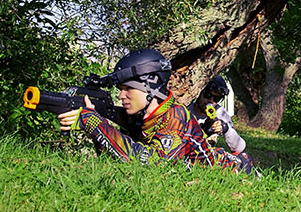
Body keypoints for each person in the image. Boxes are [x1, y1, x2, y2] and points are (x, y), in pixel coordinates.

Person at [57, 48, 237, 169]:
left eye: (128, 89)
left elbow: (151, 161)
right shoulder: (143, 117)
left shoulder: (175, 116)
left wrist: (95, 124)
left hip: (231, 168)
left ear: (150, 87)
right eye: (120, 90)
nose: (121, 96)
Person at [188, 75, 255, 174]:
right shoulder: (187, 110)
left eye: (216, 99)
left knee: (244, 158)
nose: (210, 101)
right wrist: (204, 131)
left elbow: (239, 147)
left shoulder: (219, 112)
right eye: (207, 95)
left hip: (208, 154)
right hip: (191, 155)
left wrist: (225, 129)